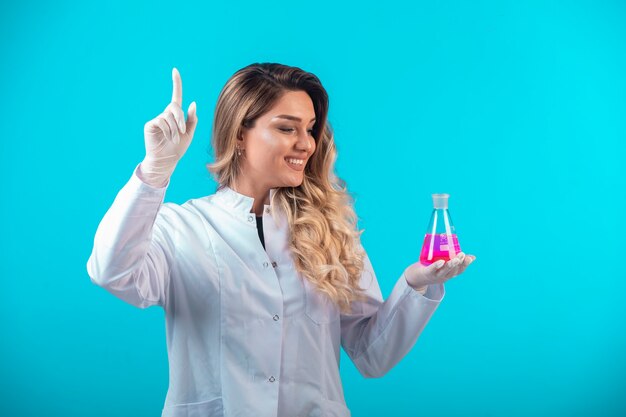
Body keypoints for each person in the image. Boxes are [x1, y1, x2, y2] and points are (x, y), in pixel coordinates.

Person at [87, 63, 476, 417]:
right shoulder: (181, 226)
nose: (306, 143)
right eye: (287, 128)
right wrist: (154, 171)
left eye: (310, 129)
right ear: (240, 134)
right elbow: (112, 272)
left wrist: (416, 285)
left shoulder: (328, 230)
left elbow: (371, 356)